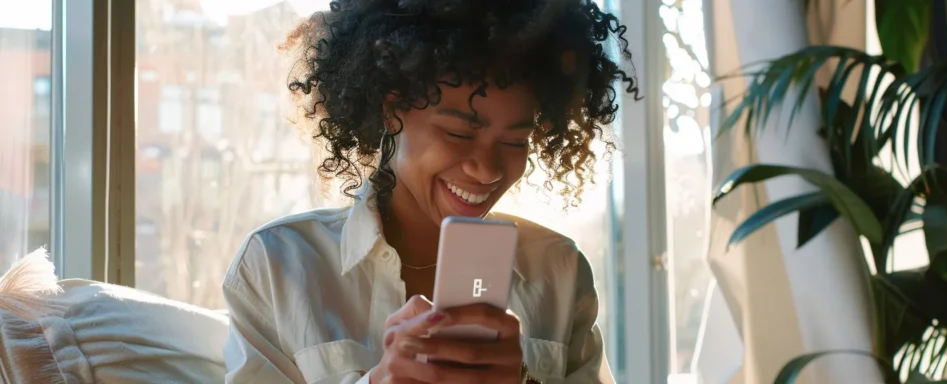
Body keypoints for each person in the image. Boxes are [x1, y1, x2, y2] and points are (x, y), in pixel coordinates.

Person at [221, 0, 639, 383]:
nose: (487, 168)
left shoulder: (559, 272)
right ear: (390, 110)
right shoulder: (279, 267)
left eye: (515, 141)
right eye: (458, 133)